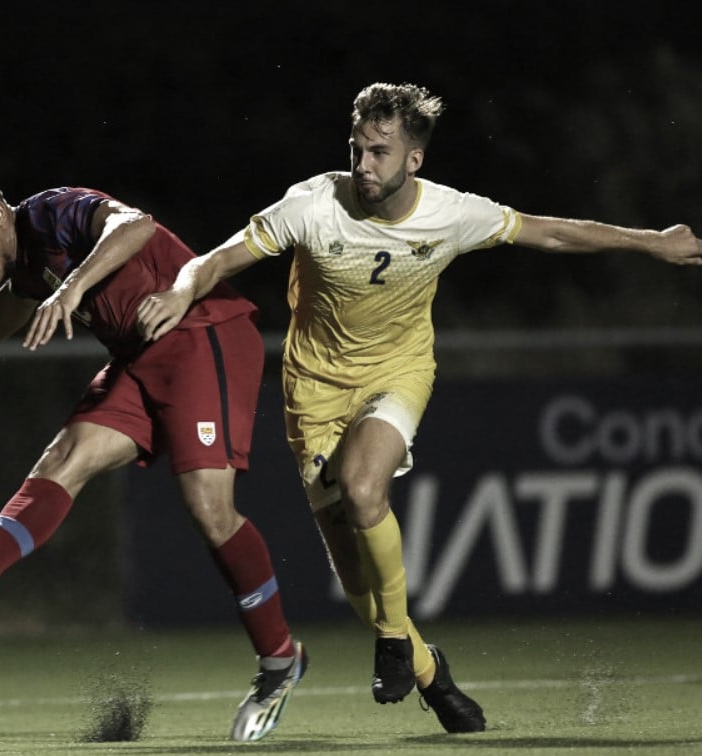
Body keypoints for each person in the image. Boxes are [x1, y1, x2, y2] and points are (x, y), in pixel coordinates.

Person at [135, 81, 702, 735]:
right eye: (355, 149)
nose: (363, 165)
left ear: (413, 160)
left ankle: (391, 644)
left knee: (360, 485)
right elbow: (217, 259)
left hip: (396, 375)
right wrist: (181, 290)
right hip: (313, 391)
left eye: (378, 152)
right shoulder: (313, 204)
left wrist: (651, 242)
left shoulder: (451, 213)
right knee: (351, 573)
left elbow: (549, 234)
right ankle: (429, 672)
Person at [0, 174, 307, 742]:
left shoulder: (53, 211)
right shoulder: (24, 266)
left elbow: (135, 225)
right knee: (65, 457)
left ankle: (280, 661)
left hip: (203, 333)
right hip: (140, 355)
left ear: (0, 215)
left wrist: (71, 289)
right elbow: (15, 301)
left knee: (209, 509)